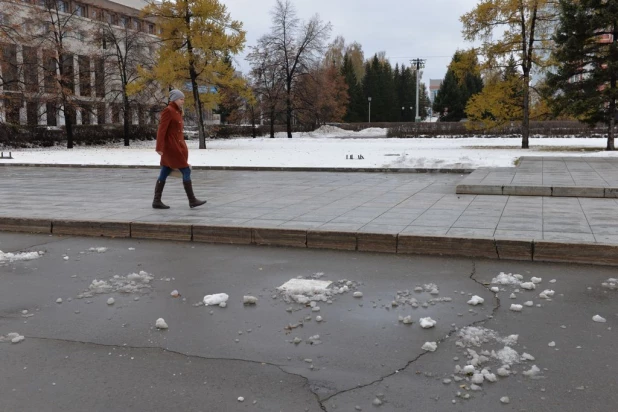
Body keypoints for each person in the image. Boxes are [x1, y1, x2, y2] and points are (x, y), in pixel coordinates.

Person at [152, 89, 206, 209]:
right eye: (181, 99)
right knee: (185, 170)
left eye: (183, 99)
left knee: (165, 170)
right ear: (175, 99)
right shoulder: (168, 111)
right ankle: (192, 200)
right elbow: (162, 130)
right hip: (171, 147)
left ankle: (156, 200)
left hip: (176, 145)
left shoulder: (177, 111)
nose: (183, 101)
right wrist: (159, 147)